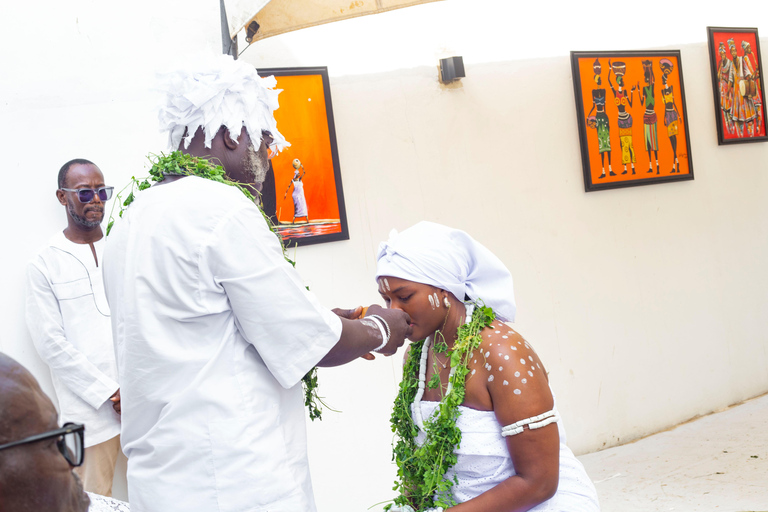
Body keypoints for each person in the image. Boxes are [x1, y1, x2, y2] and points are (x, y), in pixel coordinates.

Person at [102, 55, 411, 512]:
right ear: (232, 133)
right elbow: (310, 346)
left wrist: (319, 321)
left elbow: (211, 329)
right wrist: (382, 328)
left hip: (164, 483)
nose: (266, 159)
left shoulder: (130, 219)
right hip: (237, 480)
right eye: (264, 141)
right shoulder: (223, 209)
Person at [376, 222, 599, 512]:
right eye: (386, 299)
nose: (394, 310)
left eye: (404, 297)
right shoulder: (417, 355)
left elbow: (539, 483)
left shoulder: (504, 353)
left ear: (445, 290)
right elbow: (421, 464)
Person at [25, 159, 122, 497]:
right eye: (84, 193)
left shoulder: (122, 248)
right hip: (92, 413)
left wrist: (138, 386)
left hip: (144, 400)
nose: (96, 199)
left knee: (161, 496)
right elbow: (50, 343)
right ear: (62, 197)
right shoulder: (46, 262)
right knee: (93, 500)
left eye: (102, 191)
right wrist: (109, 393)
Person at [0, 352, 129, 512]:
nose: (69, 463)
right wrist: (107, 391)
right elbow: (54, 348)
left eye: (60, 438)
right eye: (49, 445)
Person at [284, 158, 309, 223]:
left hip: (300, 194)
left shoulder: (298, 179)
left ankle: (306, 220)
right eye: (298, 174)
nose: (299, 175)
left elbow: (304, 172)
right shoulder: (296, 180)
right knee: (299, 207)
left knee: (301, 206)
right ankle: (295, 221)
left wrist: (301, 165)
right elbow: (288, 187)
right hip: (297, 194)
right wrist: (285, 194)